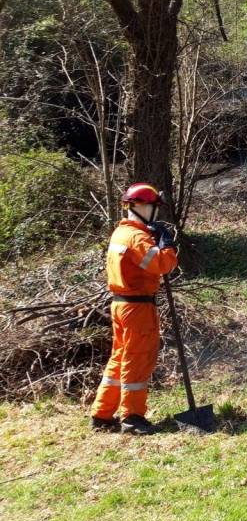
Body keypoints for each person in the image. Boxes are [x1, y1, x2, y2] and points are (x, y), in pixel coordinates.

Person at [90, 183, 178, 435]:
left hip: (120, 304)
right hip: (137, 308)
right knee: (137, 359)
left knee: (119, 358)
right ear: (139, 206)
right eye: (153, 207)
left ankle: (102, 414)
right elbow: (161, 264)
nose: (155, 213)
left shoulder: (120, 233)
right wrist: (168, 245)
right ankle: (132, 417)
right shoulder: (137, 237)